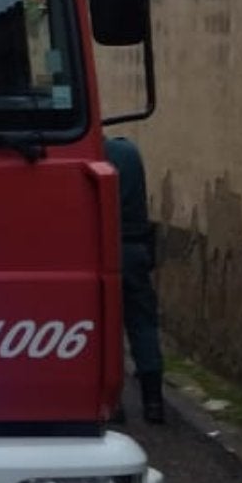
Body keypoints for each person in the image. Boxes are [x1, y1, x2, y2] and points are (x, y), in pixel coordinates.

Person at [105, 134, 165, 424]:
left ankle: (113, 403)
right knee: (143, 323)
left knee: (106, 327)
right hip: (135, 248)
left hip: (102, 249)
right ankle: (153, 402)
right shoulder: (129, 153)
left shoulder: (86, 154)